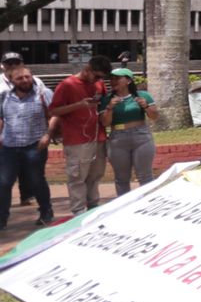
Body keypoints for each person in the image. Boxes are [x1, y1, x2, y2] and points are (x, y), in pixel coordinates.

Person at [48, 54, 111, 213]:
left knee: (95, 175)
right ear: (87, 69)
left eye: (101, 78)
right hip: (77, 139)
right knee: (77, 177)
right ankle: (78, 212)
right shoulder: (67, 85)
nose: (97, 80)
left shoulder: (99, 84)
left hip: (98, 136)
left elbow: (102, 105)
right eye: (96, 76)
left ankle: (93, 207)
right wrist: (78, 105)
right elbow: (53, 110)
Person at [0, 66, 54, 227]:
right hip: (9, 147)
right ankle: (2, 218)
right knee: (3, 182)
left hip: (34, 146)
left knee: (36, 180)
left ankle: (46, 211)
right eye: (19, 78)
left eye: (27, 77)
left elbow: (55, 115)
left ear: (32, 76)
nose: (24, 80)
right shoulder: (4, 97)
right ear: (11, 81)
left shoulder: (43, 95)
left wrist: (48, 135)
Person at [101, 67, 158, 197]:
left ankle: (149, 204)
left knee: (145, 175)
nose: (113, 81)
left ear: (128, 81)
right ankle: (124, 206)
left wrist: (146, 106)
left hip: (141, 136)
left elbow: (154, 116)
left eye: (118, 78)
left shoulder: (142, 96)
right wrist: (109, 108)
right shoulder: (107, 99)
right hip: (117, 137)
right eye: (112, 78)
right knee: (121, 178)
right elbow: (105, 123)